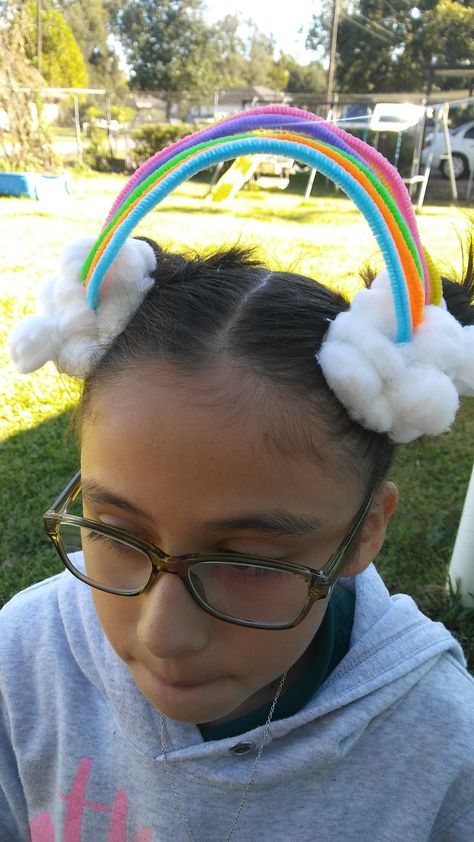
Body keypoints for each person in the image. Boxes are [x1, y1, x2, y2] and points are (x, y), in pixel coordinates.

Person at [2, 107, 474, 842]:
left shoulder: (445, 747)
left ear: (365, 531)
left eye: (249, 561)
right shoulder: (22, 662)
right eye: (115, 533)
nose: (164, 633)